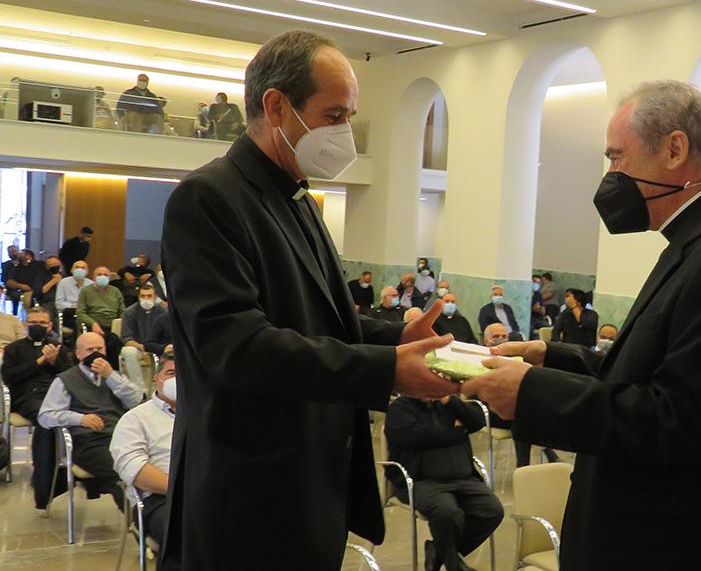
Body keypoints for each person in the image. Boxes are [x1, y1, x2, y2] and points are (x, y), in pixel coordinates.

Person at [464, 80, 701, 569]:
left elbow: (676, 421)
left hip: (675, 544)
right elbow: (651, 370)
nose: (611, 175)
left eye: (617, 158)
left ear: (674, 149)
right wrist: (549, 356)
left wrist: (531, 392)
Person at [158, 29, 458, 570]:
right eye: (334, 115)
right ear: (276, 106)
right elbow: (239, 348)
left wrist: (397, 339)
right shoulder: (208, 198)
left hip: (308, 485)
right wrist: (386, 369)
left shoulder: (298, 199)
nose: (345, 132)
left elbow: (318, 318)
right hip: (248, 494)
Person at [385, 393, 504, 571]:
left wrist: (450, 400)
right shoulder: (399, 408)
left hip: (464, 479)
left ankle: (438, 551)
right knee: (448, 512)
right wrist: (458, 431)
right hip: (420, 481)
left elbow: (478, 420)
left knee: (492, 510)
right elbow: (420, 436)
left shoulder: (448, 405)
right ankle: (453, 565)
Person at [38, 332, 143, 509]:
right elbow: (45, 416)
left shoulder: (114, 376)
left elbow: (136, 399)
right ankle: (139, 521)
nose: (96, 353)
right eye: (90, 350)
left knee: (151, 465)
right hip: (87, 442)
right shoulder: (65, 380)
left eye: (100, 348)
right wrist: (80, 418)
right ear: (78, 354)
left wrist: (111, 376)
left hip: (119, 436)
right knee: (122, 471)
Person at [1, 307, 75, 507]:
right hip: (27, 398)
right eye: (33, 323)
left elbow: (71, 375)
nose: (37, 327)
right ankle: (44, 480)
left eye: (42, 323)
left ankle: (65, 471)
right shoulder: (14, 348)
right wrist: (41, 361)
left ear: (50, 325)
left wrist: (54, 362)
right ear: (26, 325)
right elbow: (9, 377)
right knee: (46, 420)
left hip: (57, 396)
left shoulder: (59, 347)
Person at [110, 353, 177, 545]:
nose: (177, 380)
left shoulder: (207, 414)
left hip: (210, 492)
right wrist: (184, 488)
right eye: (171, 373)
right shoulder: (135, 419)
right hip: (161, 499)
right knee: (194, 529)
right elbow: (135, 470)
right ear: (157, 378)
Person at [481, 323, 558, 467]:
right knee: (525, 415)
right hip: (491, 410)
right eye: (496, 337)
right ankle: (542, 457)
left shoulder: (513, 359)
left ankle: (524, 466)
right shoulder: (478, 359)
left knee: (527, 413)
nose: (501, 339)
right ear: (486, 341)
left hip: (514, 409)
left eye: (504, 336)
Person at [120, 284, 167, 392]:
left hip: (158, 346)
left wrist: (154, 348)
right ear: (138, 297)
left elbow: (168, 336)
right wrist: (143, 347)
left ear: (155, 297)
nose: (146, 299)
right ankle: (139, 388)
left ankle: (163, 387)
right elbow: (126, 338)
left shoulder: (164, 312)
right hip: (137, 346)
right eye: (143, 296)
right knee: (128, 352)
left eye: (149, 296)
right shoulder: (129, 312)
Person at [76, 266, 125, 367]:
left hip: (112, 327)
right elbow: (80, 312)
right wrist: (93, 323)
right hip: (93, 326)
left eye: (105, 275)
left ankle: (112, 370)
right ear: (93, 277)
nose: (102, 277)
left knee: (114, 341)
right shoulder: (86, 291)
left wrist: (119, 323)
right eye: (99, 275)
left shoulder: (115, 291)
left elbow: (122, 311)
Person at [55, 260, 93, 335]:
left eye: (83, 268)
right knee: (77, 321)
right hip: (70, 313)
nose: (79, 269)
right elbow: (58, 303)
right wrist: (73, 305)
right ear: (72, 270)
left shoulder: (91, 284)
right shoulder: (63, 283)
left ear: (87, 271)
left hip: (86, 313)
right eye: (77, 267)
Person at [35, 255, 64, 319]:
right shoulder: (42, 277)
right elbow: (39, 292)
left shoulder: (65, 277)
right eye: (50, 265)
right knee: (47, 314)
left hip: (64, 302)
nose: (54, 266)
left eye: (56, 264)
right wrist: (53, 281)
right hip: (49, 302)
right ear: (47, 267)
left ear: (60, 264)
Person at [1, 245, 20, 314]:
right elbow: (4, 278)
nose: (13, 253)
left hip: (24, 285)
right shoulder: (5, 265)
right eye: (11, 252)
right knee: (15, 295)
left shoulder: (23, 263)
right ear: (8, 254)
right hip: (11, 287)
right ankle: (15, 314)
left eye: (14, 251)